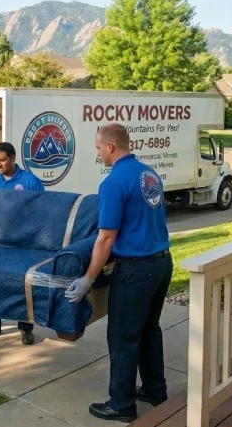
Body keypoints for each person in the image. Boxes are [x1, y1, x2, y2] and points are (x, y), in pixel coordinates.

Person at [65, 123, 172, 423]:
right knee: (149, 330)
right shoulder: (148, 174)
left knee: (123, 336)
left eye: (99, 147)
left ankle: (122, 404)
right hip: (162, 263)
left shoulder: (113, 182)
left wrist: (87, 279)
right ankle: (154, 390)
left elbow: (106, 238)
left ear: (110, 146)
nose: (98, 152)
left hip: (137, 269)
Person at [0, 142, 45, 345]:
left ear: (13, 158)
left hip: (22, 243)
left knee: (21, 284)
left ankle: (25, 328)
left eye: (3, 160)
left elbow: (42, 213)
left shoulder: (31, 182)